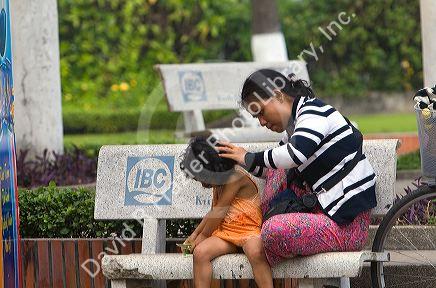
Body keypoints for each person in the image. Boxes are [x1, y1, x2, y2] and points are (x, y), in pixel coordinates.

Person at [217, 69, 376, 266]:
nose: (262, 122)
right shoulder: (295, 126)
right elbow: (272, 169)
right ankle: (253, 234)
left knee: (271, 232)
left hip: (344, 226)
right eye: (256, 118)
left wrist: (248, 156)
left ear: (277, 95)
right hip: (321, 215)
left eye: (261, 112)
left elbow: (295, 154)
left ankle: (256, 235)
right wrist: (240, 159)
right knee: (277, 174)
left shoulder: (313, 114)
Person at [180, 136, 273, 287]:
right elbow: (213, 212)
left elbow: (219, 212)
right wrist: (194, 235)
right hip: (226, 234)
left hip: (249, 232)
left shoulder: (235, 177)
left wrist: (203, 236)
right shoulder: (219, 182)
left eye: (203, 179)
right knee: (200, 253)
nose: (203, 185)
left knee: (256, 252)